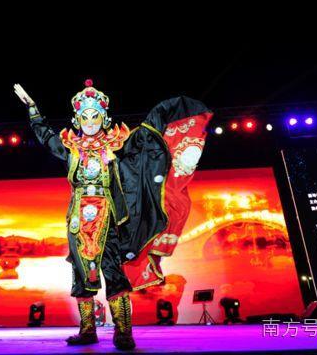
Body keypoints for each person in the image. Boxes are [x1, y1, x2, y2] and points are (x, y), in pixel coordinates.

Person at [14, 80, 212, 350]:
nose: (90, 122)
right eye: (85, 117)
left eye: (95, 116)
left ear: (104, 118)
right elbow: (46, 136)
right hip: (78, 221)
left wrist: (163, 115)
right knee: (81, 275)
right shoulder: (71, 148)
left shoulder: (116, 145)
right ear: (77, 120)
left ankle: (123, 332)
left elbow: (144, 144)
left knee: (114, 273)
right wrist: (33, 109)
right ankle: (87, 330)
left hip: (108, 218)